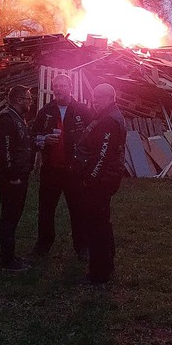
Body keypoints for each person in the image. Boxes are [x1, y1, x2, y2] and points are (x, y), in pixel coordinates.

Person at [29, 74, 92, 259]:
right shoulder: (45, 111)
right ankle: (43, 245)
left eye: (62, 85)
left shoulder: (82, 110)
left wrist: (85, 163)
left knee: (78, 209)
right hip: (51, 169)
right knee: (46, 209)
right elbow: (33, 136)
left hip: (74, 170)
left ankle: (82, 246)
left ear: (70, 88)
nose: (58, 89)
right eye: (56, 86)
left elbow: (92, 139)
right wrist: (43, 139)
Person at [73, 83, 127, 285]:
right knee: (102, 222)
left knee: (96, 226)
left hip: (100, 181)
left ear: (110, 98)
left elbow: (102, 156)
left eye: (99, 98)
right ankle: (107, 263)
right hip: (102, 178)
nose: (95, 102)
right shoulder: (107, 116)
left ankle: (99, 272)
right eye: (94, 98)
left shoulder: (109, 121)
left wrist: (90, 179)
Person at [0, 85, 36, 271]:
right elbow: (5, 150)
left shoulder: (19, 119)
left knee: (14, 216)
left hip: (20, 175)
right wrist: (12, 175)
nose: (30, 103)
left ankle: (10, 255)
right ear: (19, 100)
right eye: (28, 99)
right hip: (12, 178)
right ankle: (7, 260)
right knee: (9, 217)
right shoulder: (7, 119)